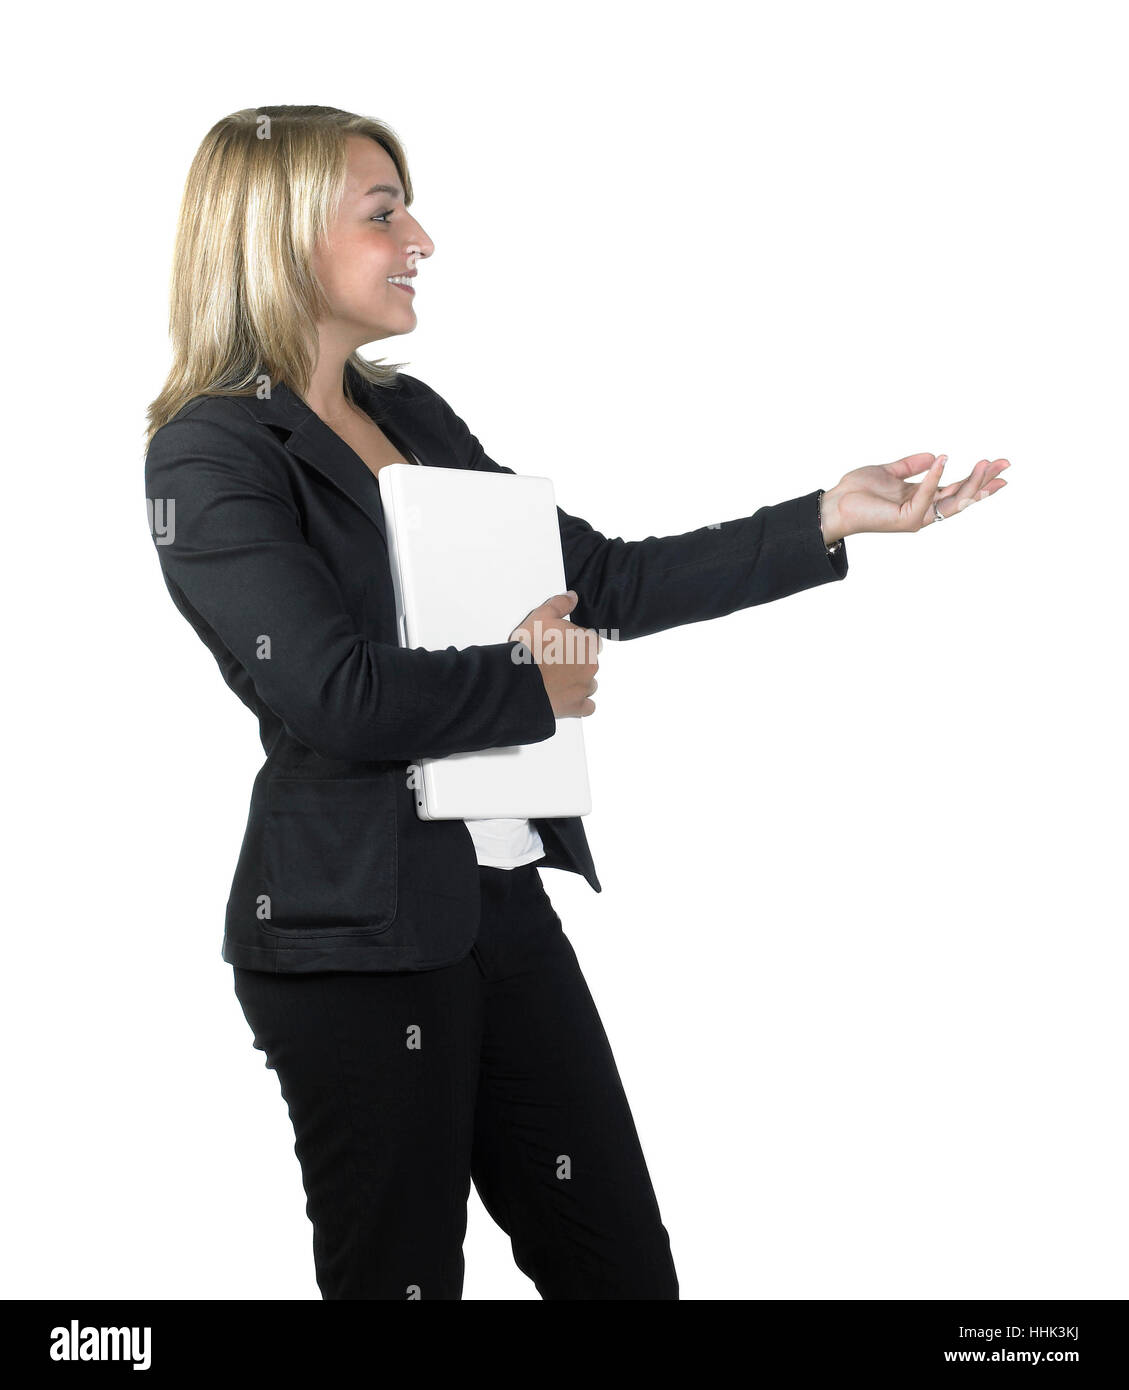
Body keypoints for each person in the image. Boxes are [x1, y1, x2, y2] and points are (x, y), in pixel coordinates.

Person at [143, 106, 1009, 1301]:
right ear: (278, 234)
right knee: (396, 1283)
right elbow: (329, 693)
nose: (422, 239)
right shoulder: (213, 455)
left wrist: (826, 516)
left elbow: (593, 581)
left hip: (497, 905)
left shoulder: (415, 416)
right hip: (352, 936)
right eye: (383, 211)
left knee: (620, 1273)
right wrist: (523, 685)